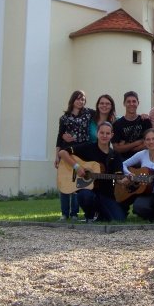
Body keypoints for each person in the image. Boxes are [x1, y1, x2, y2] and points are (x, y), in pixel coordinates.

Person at [58, 121, 126, 222]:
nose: (104, 136)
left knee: (119, 219)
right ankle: (90, 216)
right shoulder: (87, 148)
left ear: (112, 135)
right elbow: (62, 152)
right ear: (97, 133)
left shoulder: (115, 155)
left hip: (106, 194)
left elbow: (119, 177)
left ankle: (99, 215)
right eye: (102, 133)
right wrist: (77, 167)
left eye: (107, 133)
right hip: (88, 192)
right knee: (84, 195)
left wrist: (124, 180)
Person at [55, 90, 94, 221]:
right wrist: (57, 156)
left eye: (83, 99)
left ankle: (74, 214)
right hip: (67, 152)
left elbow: (104, 115)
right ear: (72, 100)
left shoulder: (89, 113)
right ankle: (64, 213)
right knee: (65, 182)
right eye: (78, 99)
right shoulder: (64, 118)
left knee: (77, 182)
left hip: (82, 152)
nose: (80, 101)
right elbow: (59, 138)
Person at [112, 91, 152, 160]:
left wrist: (125, 147)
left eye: (134, 101)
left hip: (144, 160)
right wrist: (138, 142)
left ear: (138, 103)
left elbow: (149, 144)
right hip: (124, 160)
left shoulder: (145, 121)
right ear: (124, 104)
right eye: (128, 102)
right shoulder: (117, 124)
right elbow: (116, 149)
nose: (131, 104)